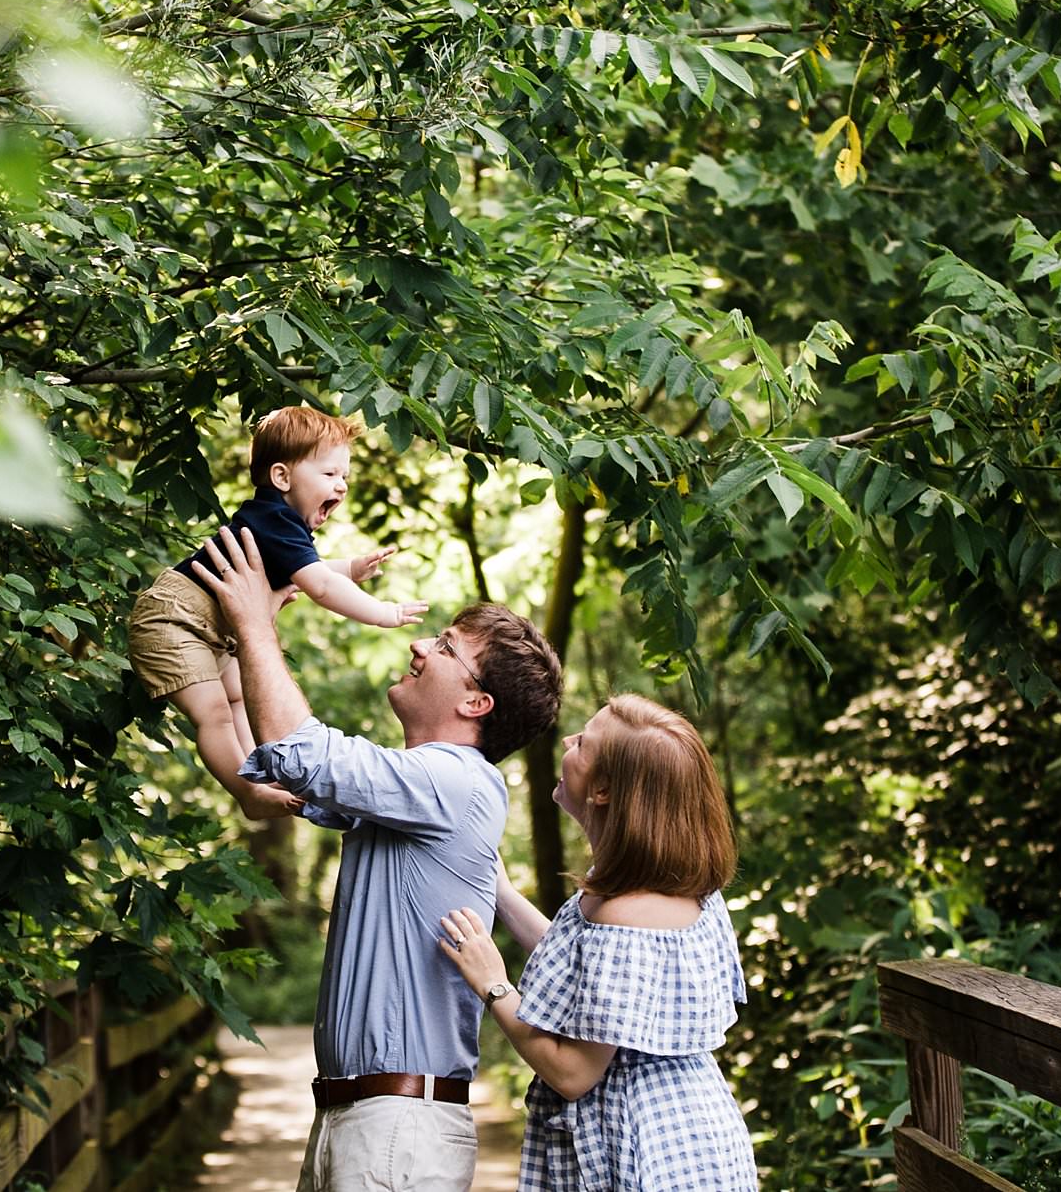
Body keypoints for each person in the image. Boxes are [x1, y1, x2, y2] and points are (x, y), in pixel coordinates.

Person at [189, 524, 564, 1192]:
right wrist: (234, 643)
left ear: (475, 701)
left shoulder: (458, 782)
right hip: (357, 1118)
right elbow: (268, 782)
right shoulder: (409, 791)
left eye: (446, 645)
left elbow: (303, 749)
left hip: (397, 1130)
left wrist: (254, 626)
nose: (420, 644)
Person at [436, 694, 758, 1191]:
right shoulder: (667, 887)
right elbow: (592, 976)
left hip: (641, 1145)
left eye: (583, 742)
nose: (567, 742)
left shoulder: (625, 918)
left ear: (604, 789)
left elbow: (571, 1072)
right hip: (687, 1133)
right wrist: (502, 894)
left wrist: (495, 987)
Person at [127, 407, 428, 821]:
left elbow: (309, 573)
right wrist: (383, 613)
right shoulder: (274, 520)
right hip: (173, 621)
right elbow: (319, 585)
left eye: (345, 477)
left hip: (212, 629)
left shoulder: (279, 524)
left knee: (240, 698)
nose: (341, 486)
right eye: (329, 475)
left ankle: (263, 774)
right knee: (214, 710)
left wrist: (352, 568)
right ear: (283, 477)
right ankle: (246, 791)